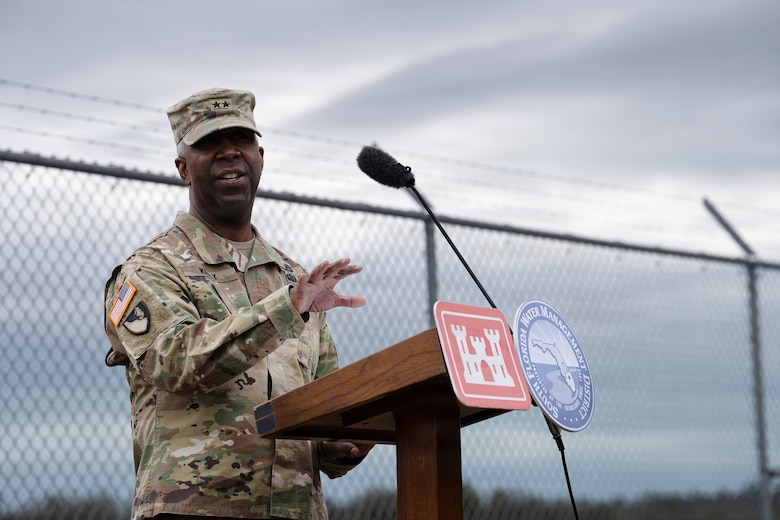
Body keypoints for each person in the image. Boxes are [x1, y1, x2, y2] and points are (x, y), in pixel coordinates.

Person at [104, 87, 373, 520]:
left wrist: (344, 444)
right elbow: (176, 361)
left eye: (241, 140)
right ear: (182, 169)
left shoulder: (293, 277)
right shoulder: (148, 270)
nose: (229, 153)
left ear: (260, 157)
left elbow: (322, 406)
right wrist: (287, 309)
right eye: (209, 143)